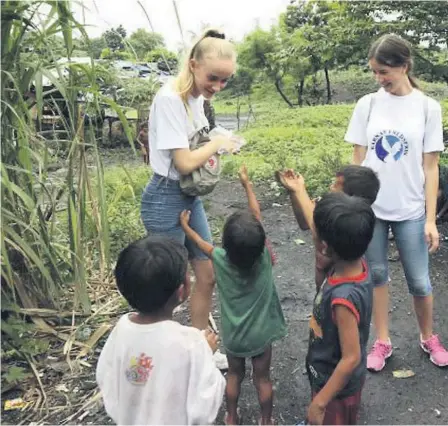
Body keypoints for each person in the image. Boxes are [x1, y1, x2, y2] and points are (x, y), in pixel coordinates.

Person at [345, 33, 448, 370]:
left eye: (384, 72)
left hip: (411, 209)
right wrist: (353, 206)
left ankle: (428, 336)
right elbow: (358, 160)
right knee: (376, 275)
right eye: (374, 72)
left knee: (419, 280)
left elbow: (430, 168)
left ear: (404, 66)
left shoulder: (427, 107)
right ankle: (382, 341)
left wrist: (431, 218)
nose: (379, 79)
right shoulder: (367, 104)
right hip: (371, 210)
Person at [140, 29, 238, 368]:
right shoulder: (170, 99)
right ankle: (161, 359)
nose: (217, 87)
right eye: (213, 78)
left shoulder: (197, 99)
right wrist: (217, 145)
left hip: (188, 197)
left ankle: (199, 350)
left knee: (207, 274)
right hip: (165, 198)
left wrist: (219, 137)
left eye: (225, 81)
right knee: (166, 288)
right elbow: (182, 162)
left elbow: (195, 142)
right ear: (193, 65)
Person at [180, 165, 287, 425]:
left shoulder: (219, 258)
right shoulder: (262, 256)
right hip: (261, 336)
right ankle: (266, 420)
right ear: (261, 242)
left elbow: (202, 245)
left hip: (235, 337)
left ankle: (231, 416)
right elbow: (257, 213)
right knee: (262, 379)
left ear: (225, 244)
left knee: (234, 376)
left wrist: (185, 227)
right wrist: (246, 183)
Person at [96, 236, 225, 425]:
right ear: (183, 290)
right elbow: (204, 408)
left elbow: (106, 379)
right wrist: (207, 352)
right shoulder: (192, 343)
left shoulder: (121, 330)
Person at [306, 192, 375, 425]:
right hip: (328, 373)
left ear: (325, 246)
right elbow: (321, 288)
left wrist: (320, 402)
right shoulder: (355, 262)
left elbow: (351, 357)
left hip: (336, 388)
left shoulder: (343, 299)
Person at [277, 165, 380, 290]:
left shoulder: (352, 223)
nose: (331, 187)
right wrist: (294, 192)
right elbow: (305, 223)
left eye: (337, 185)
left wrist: (300, 190)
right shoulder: (329, 204)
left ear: (350, 198)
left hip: (340, 288)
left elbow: (317, 229)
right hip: (325, 286)